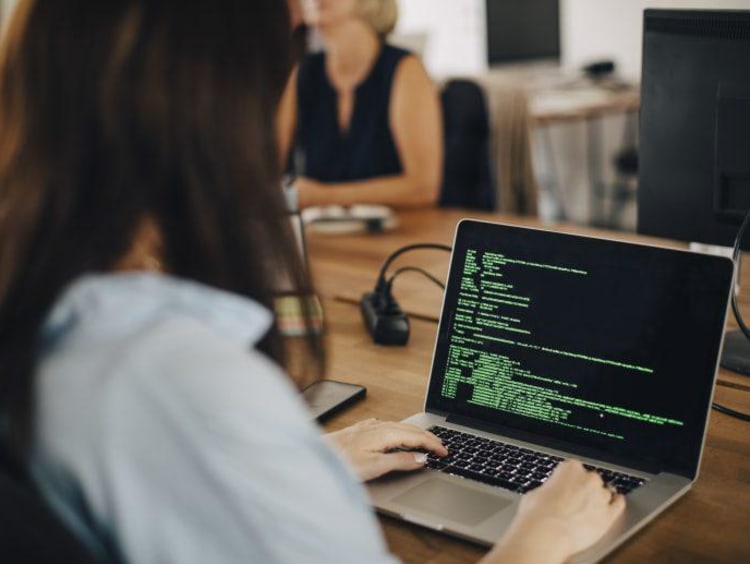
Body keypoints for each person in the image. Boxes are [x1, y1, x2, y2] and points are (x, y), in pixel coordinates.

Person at [0, 0, 624, 563]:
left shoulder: (50, 315)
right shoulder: (186, 387)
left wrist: (301, 461)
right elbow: (181, 442)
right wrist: (538, 538)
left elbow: (161, 481)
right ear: (214, 109)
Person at [278, 0, 443, 209]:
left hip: (397, 234)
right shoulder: (302, 73)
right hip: (321, 236)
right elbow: (269, 169)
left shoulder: (405, 69)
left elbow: (423, 188)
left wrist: (323, 196)